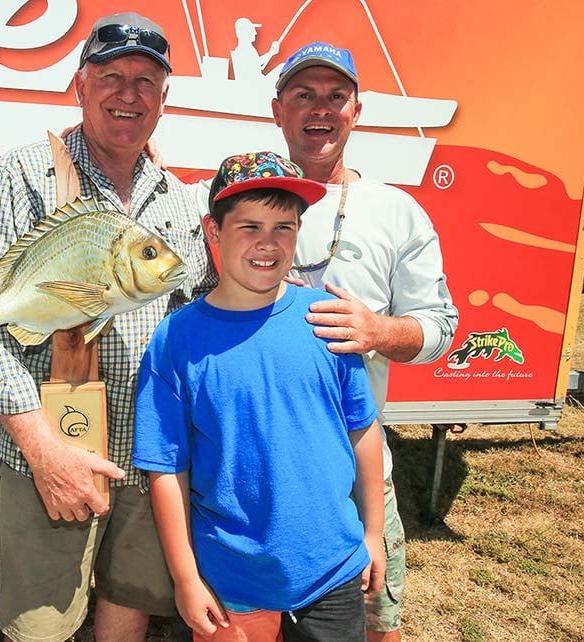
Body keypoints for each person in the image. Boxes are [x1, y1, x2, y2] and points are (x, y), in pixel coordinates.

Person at [0, 12, 215, 642]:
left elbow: (211, 304)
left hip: (152, 458)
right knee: (40, 627)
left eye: (145, 80)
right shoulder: (25, 174)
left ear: (164, 97)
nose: (127, 94)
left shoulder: (182, 201)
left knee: (129, 604)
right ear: (79, 85)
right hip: (52, 450)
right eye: (111, 76)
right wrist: (44, 452)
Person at [135, 151, 386, 642]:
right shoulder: (176, 339)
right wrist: (186, 578)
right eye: (249, 226)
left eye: (284, 228)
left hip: (331, 571)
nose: (267, 243)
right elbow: (167, 468)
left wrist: (373, 534)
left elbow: (363, 429)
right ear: (213, 231)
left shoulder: (327, 321)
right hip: (230, 580)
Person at [272, 42, 459, 642]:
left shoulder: (397, 211)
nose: (319, 110)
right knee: (251, 616)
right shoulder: (235, 195)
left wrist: (379, 331)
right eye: (303, 95)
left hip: (356, 461)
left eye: (335, 96)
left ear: (358, 110)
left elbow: (440, 327)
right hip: (253, 461)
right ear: (279, 110)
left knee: (377, 618)